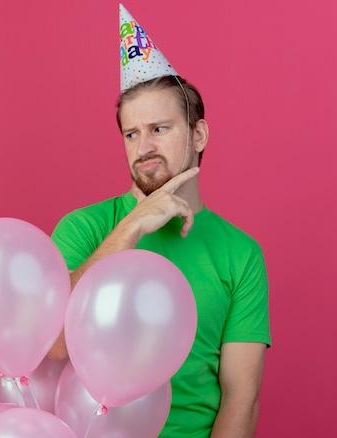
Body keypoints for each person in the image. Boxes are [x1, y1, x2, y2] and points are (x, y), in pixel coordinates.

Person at [49, 5, 270, 437]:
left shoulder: (240, 254)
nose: (143, 147)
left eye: (160, 129)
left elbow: (241, 401)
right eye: (131, 134)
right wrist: (133, 225)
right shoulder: (83, 228)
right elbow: (54, 343)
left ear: (198, 135)